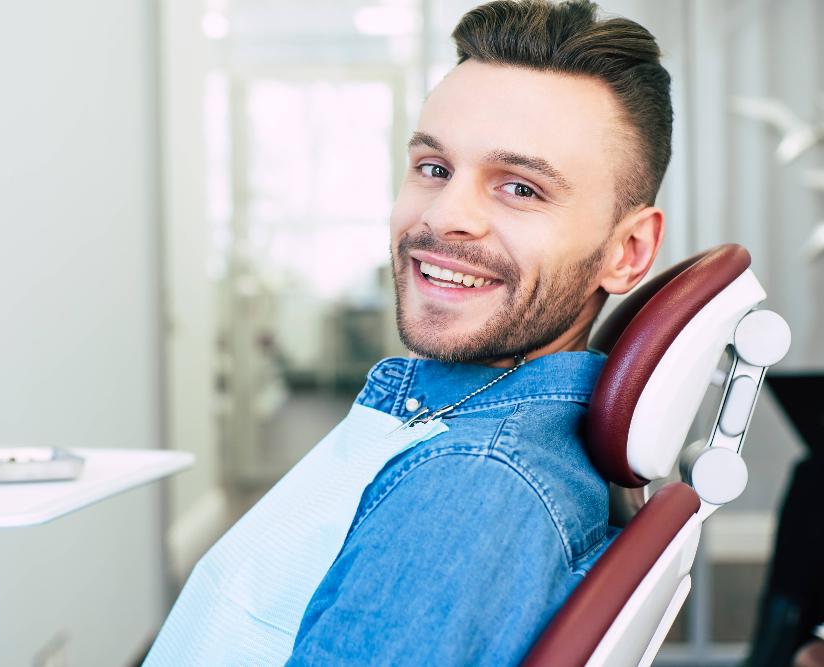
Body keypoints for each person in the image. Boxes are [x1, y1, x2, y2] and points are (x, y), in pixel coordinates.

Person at [145, 0, 672, 664]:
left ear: (626, 251)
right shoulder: (455, 424)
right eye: (434, 168)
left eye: (520, 188)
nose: (447, 216)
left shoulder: (470, 486)